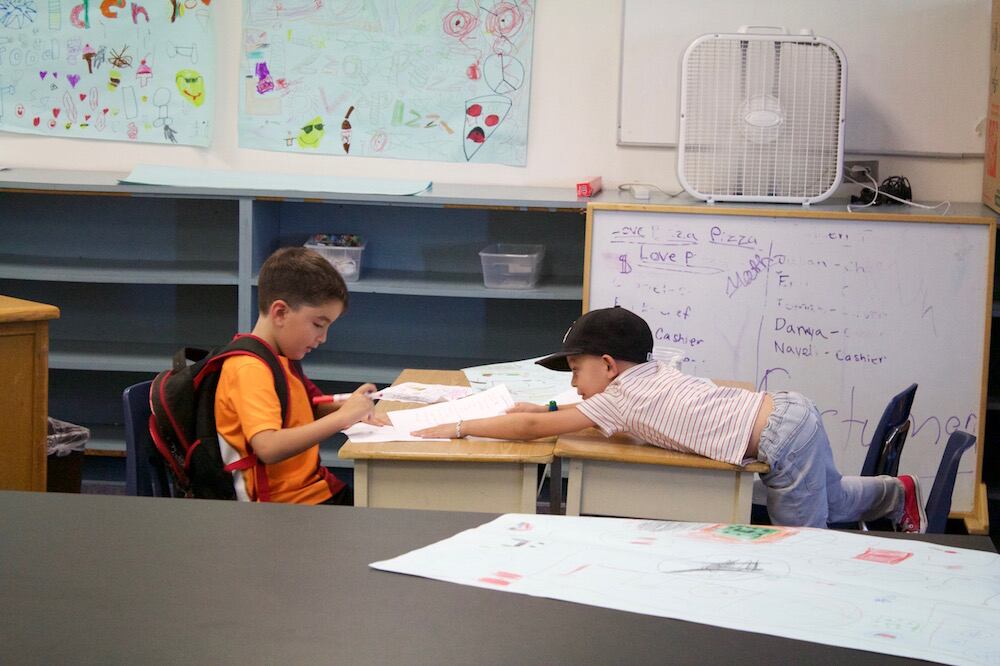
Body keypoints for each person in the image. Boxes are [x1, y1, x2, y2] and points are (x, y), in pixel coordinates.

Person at [413, 306, 926, 532]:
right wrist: (547, 407)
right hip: (790, 413)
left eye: (574, 370)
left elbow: (531, 431)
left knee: (799, 548)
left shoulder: (617, 399)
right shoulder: (647, 377)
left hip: (778, 438)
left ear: (608, 366)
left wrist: (457, 426)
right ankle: (899, 492)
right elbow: (577, 415)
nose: (571, 384)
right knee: (833, 498)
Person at [214, 246, 382, 504]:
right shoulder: (250, 368)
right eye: (318, 324)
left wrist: (347, 407)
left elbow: (305, 409)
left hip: (313, 490)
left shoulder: (281, 358)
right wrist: (344, 417)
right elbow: (268, 447)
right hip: (283, 508)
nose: (323, 338)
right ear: (280, 312)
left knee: (387, 501)